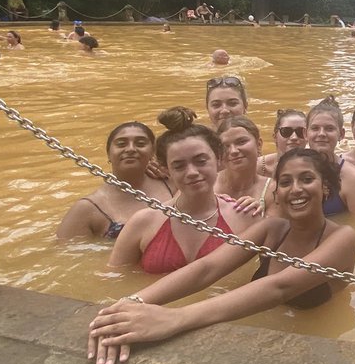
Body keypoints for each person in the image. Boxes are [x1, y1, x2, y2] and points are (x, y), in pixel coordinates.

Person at [88, 148, 355, 364]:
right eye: (286, 182)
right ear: (276, 192)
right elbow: (208, 267)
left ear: (325, 187)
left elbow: (279, 287)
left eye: (306, 179)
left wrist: (175, 319)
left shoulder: (343, 238)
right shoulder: (271, 229)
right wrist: (132, 303)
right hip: (259, 342)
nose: (296, 189)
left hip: (308, 356)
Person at [107, 108, 252, 272]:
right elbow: (113, 279)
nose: (191, 172)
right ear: (166, 169)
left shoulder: (245, 217)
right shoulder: (142, 222)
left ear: (219, 159)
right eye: (179, 166)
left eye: (201, 161)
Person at [55, 122, 173, 241]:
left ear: (152, 152)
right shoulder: (88, 208)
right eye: (121, 144)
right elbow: (63, 253)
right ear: (109, 155)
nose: (131, 149)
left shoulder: (174, 184)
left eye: (140, 144)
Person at [304, 97, 355, 214]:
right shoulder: (293, 169)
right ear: (305, 133)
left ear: (341, 134)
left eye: (329, 129)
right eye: (315, 128)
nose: (321, 134)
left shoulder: (353, 178)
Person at [214, 116, 273, 205]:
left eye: (241, 142)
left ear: (259, 145)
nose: (233, 151)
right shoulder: (207, 185)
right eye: (225, 146)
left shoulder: (274, 189)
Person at [260, 109, 307, 178]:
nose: (294, 137)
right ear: (275, 137)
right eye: (286, 131)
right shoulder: (258, 167)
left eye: (300, 132)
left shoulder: (316, 167)